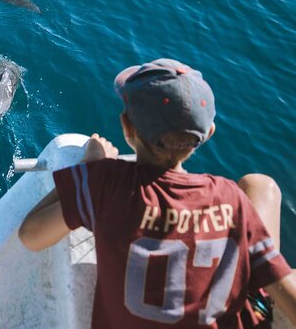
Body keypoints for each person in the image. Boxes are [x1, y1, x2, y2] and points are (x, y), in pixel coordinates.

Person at [19, 58, 296, 328]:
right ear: (208, 133)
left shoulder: (105, 183)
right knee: (260, 185)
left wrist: (88, 167)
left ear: (127, 127)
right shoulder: (229, 198)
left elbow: (30, 235)